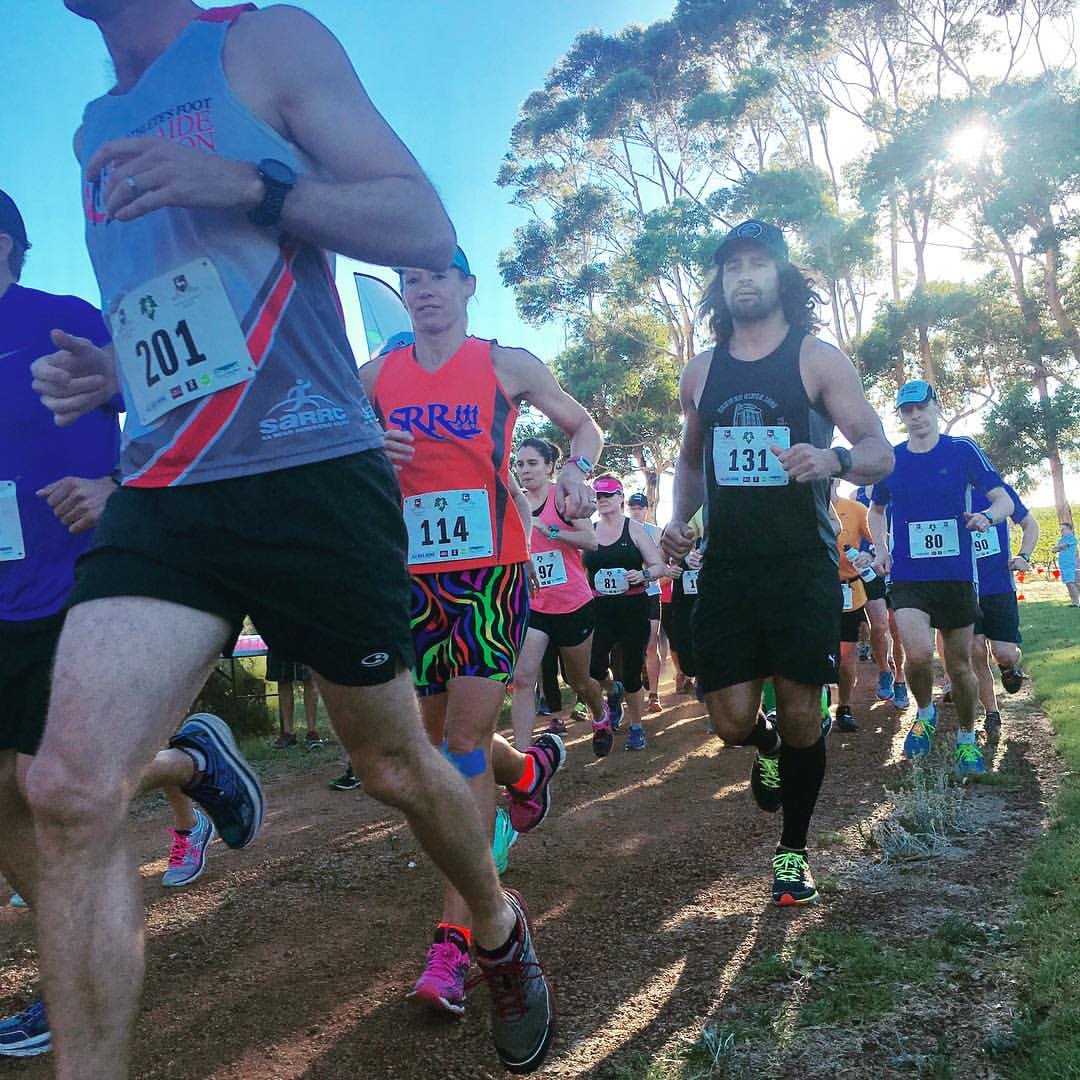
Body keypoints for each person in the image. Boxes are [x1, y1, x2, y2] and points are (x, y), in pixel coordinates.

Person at [32, 5, 554, 1074]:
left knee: (396, 763)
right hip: (170, 485)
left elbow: (419, 221)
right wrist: (119, 375)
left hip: (312, 472)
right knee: (66, 790)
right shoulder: (93, 127)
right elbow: (190, 310)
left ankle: (496, 927)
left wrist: (248, 184)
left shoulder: (263, 46)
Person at [0, 191, 230, 1056]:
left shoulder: (63, 318)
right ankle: (189, 762)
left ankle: (74, 997)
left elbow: (182, 401)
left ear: (8, 246)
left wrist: (116, 493)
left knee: (47, 780)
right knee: (7, 798)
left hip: (79, 584)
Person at [365, 245, 601, 1021]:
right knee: (441, 750)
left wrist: (577, 470)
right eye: (413, 279)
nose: (424, 290)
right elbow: (329, 456)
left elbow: (583, 424)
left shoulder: (507, 363)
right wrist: (371, 452)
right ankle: (527, 775)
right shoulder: (376, 377)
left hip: (493, 573)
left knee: (460, 749)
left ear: (468, 286)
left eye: (438, 277)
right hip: (415, 580)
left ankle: (455, 938)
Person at [662, 219, 893, 906]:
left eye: (757, 262)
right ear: (720, 282)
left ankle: (792, 851)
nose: (743, 275)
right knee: (732, 720)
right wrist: (680, 520)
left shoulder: (816, 359)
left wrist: (834, 459)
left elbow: (878, 448)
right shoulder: (700, 372)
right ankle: (761, 750)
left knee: (802, 717)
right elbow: (690, 458)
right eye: (731, 264)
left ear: (781, 276)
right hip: (728, 569)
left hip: (801, 564)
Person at [868, 381, 1013, 776]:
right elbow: (876, 510)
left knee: (960, 666)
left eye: (920, 407)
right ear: (900, 416)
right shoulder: (893, 460)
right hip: (910, 576)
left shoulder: (961, 450)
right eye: (906, 410)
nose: (914, 416)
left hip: (956, 576)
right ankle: (926, 712)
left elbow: (1003, 499)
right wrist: (881, 549)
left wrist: (988, 517)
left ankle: (967, 737)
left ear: (935, 406)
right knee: (916, 654)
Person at [509, 439, 609, 749]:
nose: (524, 470)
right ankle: (523, 760)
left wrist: (548, 530)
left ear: (550, 465)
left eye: (532, 463)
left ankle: (600, 713)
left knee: (578, 681)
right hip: (534, 604)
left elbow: (591, 540)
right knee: (523, 679)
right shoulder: (515, 503)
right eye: (520, 464)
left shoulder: (562, 496)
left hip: (571, 603)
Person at [584, 475, 670, 753]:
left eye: (608, 495)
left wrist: (642, 574)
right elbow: (582, 570)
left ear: (620, 497)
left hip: (633, 608)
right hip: (600, 609)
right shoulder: (591, 530)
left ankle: (636, 727)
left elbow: (659, 566)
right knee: (594, 667)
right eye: (598, 496)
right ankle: (613, 690)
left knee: (633, 672)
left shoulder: (633, 529)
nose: (603, 500)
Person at [966, 482, 1037, 745]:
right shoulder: (945, 493)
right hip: (964, 589)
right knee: (975, 650)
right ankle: (992, 714)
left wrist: (1024, 556)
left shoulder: (997, 493)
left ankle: (1010, 665)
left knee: (1003, 652)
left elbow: (1031, 525)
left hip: (998, 587)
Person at [854, 485, 909, 708]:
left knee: (896, 628)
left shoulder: (897, 489)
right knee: (878, 625)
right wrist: (861, 554)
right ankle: (885, 671)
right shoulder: (856, 496)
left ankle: (900, 678)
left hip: (897, 567)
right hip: (871, 570)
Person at [832, 482, 875, 733]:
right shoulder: (802, 507)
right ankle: (817, 705)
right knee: (816, 652)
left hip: (849, 591)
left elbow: (878, 539)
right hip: (814, 591)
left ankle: (844, 707)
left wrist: (868, 554)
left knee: (847, 656)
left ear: (837, 479)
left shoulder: (856, 509)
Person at [627, 492, 672, 712]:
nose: (636, 510)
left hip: (652, 594)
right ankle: (632, 690)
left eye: (640, 507)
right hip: (626, 596)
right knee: (630, 646)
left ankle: (654, 695)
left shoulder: (656, 532)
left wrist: (659, 574)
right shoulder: (621, 529)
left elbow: (666, 562)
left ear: (647, 509)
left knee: (651, 644)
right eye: (632, 507)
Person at [265, 651, 323, 749]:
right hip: (280, 639)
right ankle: (288, 733)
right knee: (282, 679)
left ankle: (312, 732)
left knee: (310, 677)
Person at [1052, 521, 1079, 606]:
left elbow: (1061, 546)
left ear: (1069, 529)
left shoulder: (1072, 538)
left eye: (1063, 529)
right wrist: (1059, 547)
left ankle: (1076, 602)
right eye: (1060, 529)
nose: (1061, 531)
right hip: (1063, 564)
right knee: (1068, 583)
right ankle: (1074, 602)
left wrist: (1059, 547)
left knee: (1071, 583)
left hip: (1070, 564)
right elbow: (1054, 550)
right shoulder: (1061, 539)